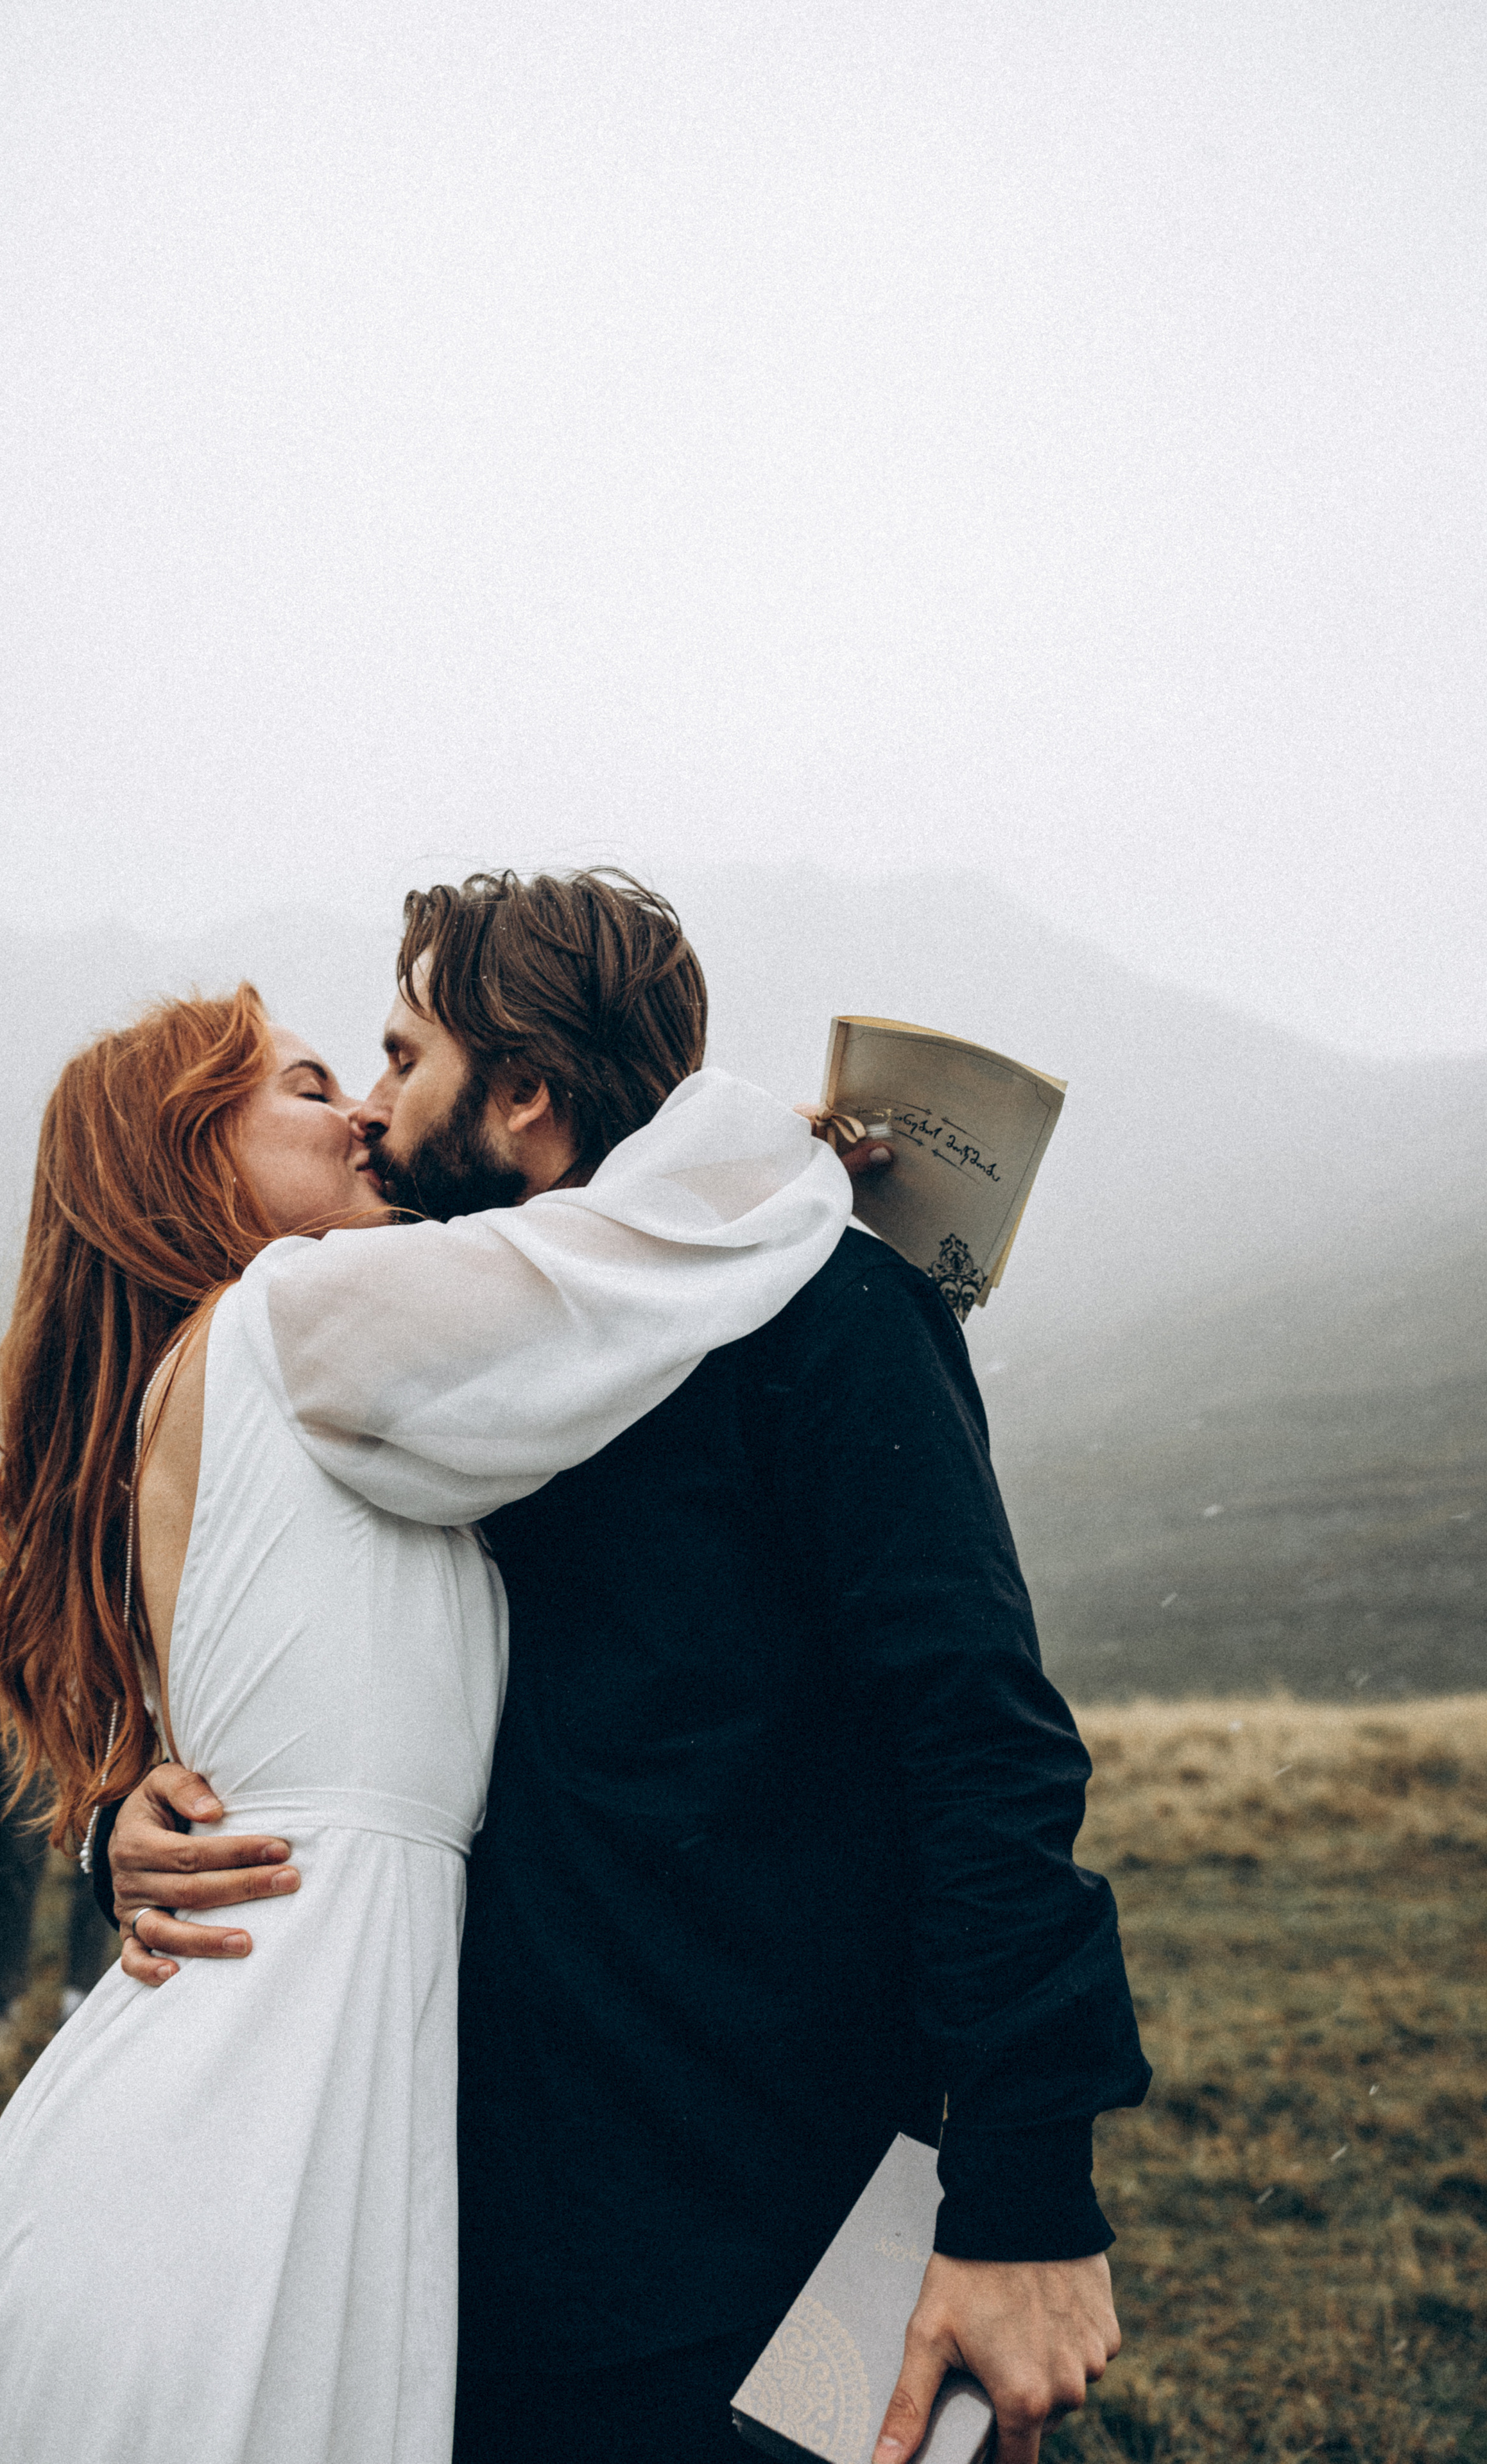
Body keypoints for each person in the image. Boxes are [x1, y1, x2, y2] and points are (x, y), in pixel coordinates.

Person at [106, 869, 1151, 2464]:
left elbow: (980, 1737)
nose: (375, 1114)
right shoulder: (449, 1381)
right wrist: (159, 1802)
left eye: (406, 1059)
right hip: (519, 2232)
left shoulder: (833, 1316)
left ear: (522, 1089)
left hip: (810, 2194)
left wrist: (1022, 2193)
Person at [0, 971, 847, 2464]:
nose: (358, 1113)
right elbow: (611, 1270)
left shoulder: (237, 1366)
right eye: (302, 1084)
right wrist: (787, 1152)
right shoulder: (291, 1314)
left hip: (260, 2059)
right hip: (255, 2099)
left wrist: (126, 1817)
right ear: (186, 1152)